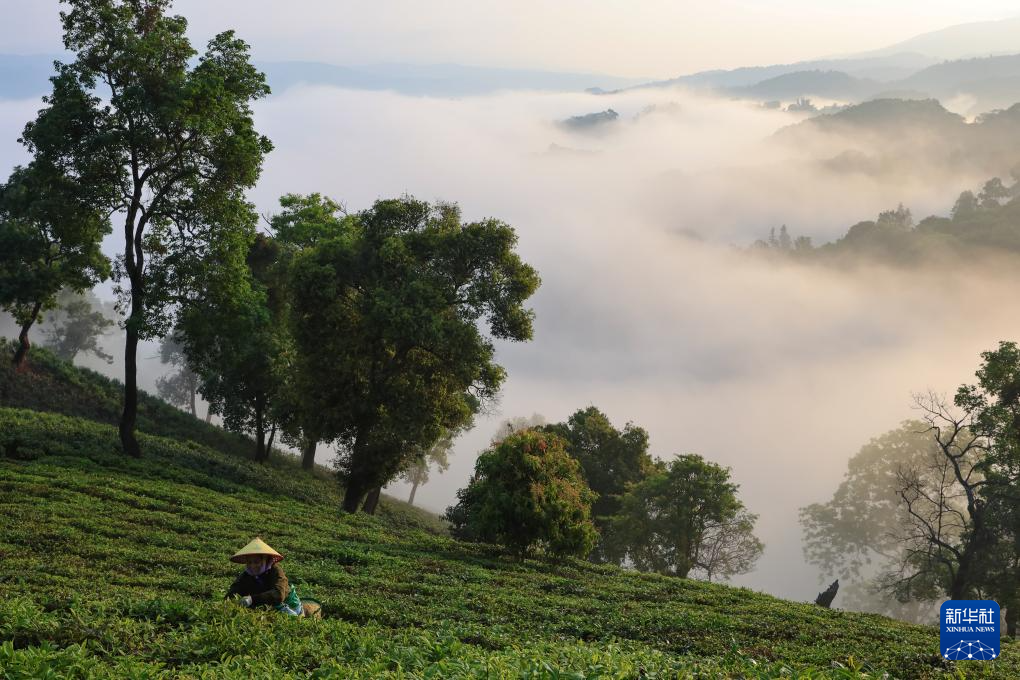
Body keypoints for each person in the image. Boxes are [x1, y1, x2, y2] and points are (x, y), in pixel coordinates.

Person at [225, 537, 303, 615]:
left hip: (287, 604)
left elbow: (278, 594)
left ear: (266, 560)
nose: (252, 566)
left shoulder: (275, 571)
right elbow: (234, 591)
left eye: (256, 562)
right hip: (264, 605)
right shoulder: (246, 574)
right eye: (249, 562)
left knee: (291, 617)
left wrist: (252, 599)